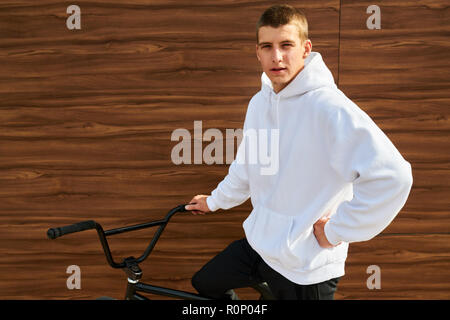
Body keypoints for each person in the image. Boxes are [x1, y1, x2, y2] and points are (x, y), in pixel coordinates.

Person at [184, 4, 413, 300]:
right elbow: (247, 168)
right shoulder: (259, 104)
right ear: (258, 52)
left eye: (286, 45)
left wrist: (336, 231)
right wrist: (213, 202)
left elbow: (393, 176)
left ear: (305, 49)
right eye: (267, 46)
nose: (276, 57)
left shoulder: (329, 108)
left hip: (306, 267)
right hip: (262, 245)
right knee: (206, 283)